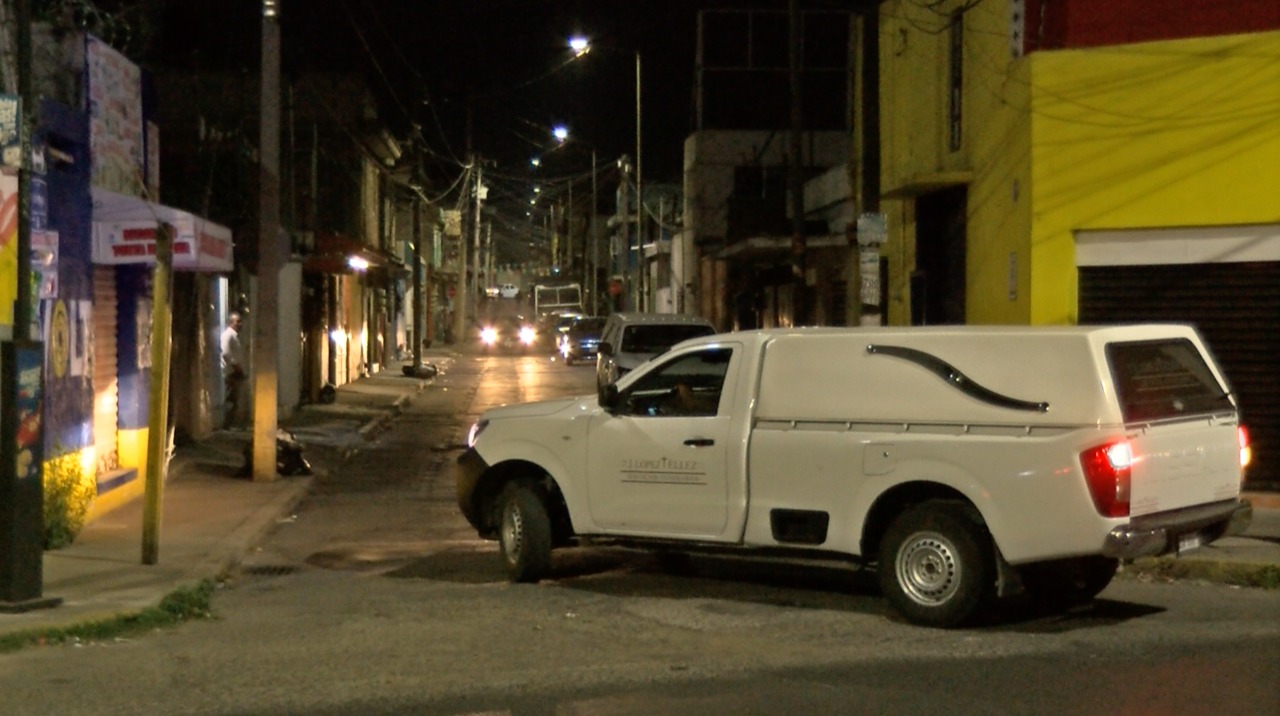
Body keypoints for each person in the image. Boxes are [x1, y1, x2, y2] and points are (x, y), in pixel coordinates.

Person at [220, 312, 245, 429]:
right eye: (237, 321)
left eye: (240, 321)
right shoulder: (228, 335)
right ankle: (226, 424)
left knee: (234, 398)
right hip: (231, 371)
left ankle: (230, 423)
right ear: (231, 322)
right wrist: (236, 366)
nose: (240, 324)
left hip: (234, 370)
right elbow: (225, 353)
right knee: (231, 398)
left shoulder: (233, 336)